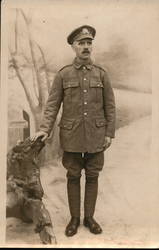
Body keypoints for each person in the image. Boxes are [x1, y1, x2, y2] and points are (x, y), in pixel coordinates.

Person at [31, 25, 116, 237]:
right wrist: (44, 129)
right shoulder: (63, 75)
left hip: (96, 136)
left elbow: (110, 107)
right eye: (81, 43)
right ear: (73, 47)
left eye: (89, 43)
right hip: (71, 136)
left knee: (93, 176)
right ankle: (74, 219)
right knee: (73, 176)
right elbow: (52, 105)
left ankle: (89, 218)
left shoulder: (102, 74)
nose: (86, 47)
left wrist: (109, 133)